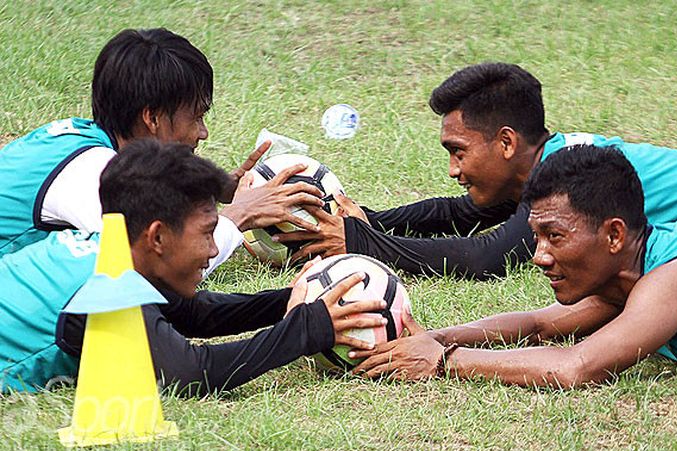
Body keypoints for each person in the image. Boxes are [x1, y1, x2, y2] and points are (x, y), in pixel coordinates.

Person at [0, 139, 387, 395]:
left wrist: (299, 297)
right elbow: (191, 374)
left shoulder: (110, 246)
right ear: (157, 237)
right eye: (207, 232)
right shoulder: (104, 287)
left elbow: (194, 313)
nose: (214, 248)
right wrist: (307, 329)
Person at [276, 62, 677, 279]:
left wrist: (359, 242)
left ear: (507, 142)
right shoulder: (553, 159)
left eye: (458, 151)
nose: (452, 169)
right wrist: (369, 220)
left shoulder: (567, 178)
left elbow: (487, 257)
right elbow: (462, 214)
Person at [347, 145, 677, 387]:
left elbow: (577, 367)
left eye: (555, 236)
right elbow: (539, 324)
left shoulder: (675, 276)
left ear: (613, 235)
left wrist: (445, 360)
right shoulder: (624, 272)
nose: (539, 256)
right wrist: (435, 338)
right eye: (537, 237)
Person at [0, 28, 323, 274]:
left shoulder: (86, 137)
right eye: (197, 117)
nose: (203, 133)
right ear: (152, 117)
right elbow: (152, 272)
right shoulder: (88, 173)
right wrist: (240, 215)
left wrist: (213, 189)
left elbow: (148, 200)